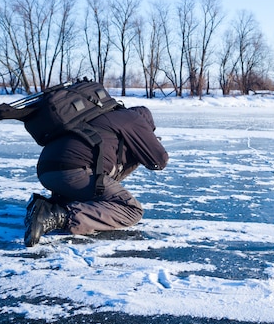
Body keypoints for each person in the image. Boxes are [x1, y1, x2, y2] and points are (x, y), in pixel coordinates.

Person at [24, 106, 168, 247]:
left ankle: (43, 207)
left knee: (91, 199)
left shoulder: (98, 116)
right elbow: (159, 160)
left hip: (46, 171)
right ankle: (59, 216)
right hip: (73, 171)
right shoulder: (134, 119)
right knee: (131, 210)